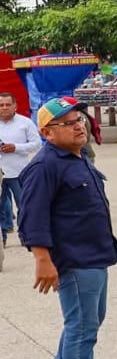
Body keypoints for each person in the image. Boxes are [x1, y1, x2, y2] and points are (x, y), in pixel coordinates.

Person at [20, 97, 117, 359]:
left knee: (87, 319)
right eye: (67, 123)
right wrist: (42, 259)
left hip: (94, 253)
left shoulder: (75, 157)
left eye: (77, 119)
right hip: (75, 257)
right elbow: (31, 217)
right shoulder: (44, 166)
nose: (78, 125)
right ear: (47, 133)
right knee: (82, 326)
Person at [0, 92, 42, 249]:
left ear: (15, 106)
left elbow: (37, 144)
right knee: (1, 207)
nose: (4, 108)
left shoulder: (25, 123)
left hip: (19, 172)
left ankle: (26, 236)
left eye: (7, 104)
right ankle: (2, 238)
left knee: (24, 205)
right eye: (1, 105)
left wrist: (16, 147)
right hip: (0, 173)